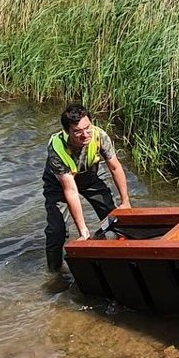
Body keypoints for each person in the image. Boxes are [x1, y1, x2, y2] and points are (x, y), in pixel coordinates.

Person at [42, 103, 131, 274]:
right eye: (78, 131)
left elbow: (115, 167)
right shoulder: (56, 148)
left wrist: (125, 201)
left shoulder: (99, 136)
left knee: (114, 219)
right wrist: (83, 231)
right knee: (57, 231)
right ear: (68, 132)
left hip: (89, 177)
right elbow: (71, 191)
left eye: (87, 128)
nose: (85, 134)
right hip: (59, 185)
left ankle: (116, 260)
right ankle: (55, 272)